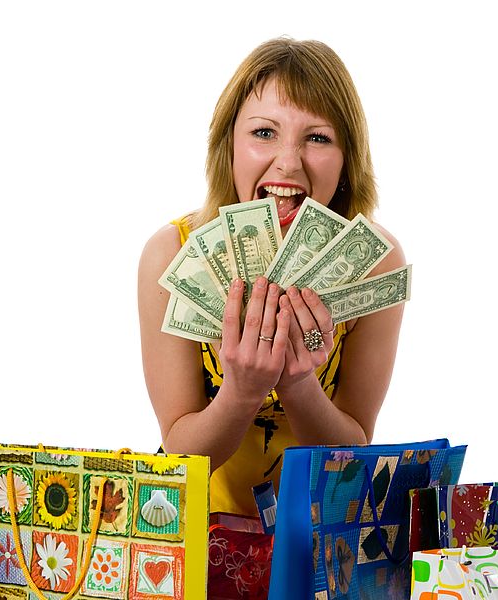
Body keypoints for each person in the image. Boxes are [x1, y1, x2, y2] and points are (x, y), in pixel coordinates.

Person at [137, 37, 406, 517]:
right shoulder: (173, 256)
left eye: (318, 138)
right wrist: (241, 391)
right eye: (264, 132)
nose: (288, 161)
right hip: (201, 534)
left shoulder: (375, 264)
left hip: (318, 539)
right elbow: (178, 460)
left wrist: (300, 384)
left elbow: (354, 455)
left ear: (347, 160)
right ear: (230, 146)